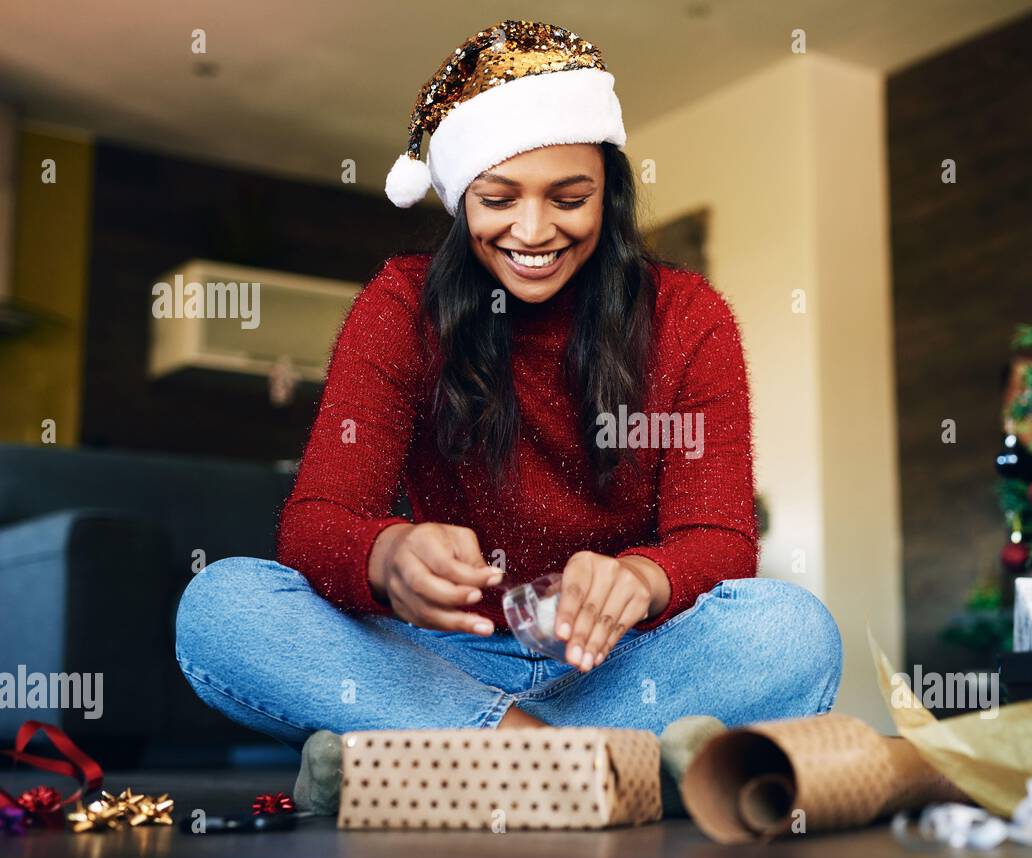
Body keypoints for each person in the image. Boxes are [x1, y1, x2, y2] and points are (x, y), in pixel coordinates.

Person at [174, 19, 842, 755]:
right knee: (221, 607)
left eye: (568, 197)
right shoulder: (401, 306)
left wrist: (645, 579)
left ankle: (438, 756)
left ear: (608, 193)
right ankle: (563, 759)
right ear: (462, 201)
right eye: (499, 199)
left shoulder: (689, 316)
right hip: (437, 657)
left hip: (618, 663)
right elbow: (317, 520)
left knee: (794, 632)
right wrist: (386, 554)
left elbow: (716, 538)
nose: (533, 230)